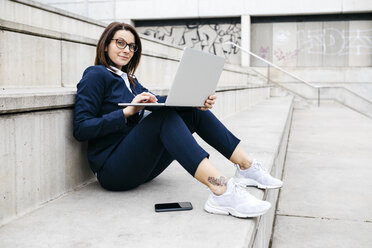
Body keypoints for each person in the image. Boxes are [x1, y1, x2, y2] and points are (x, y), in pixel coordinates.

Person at [73, 22, 283, 218]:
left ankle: (246, 167)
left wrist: (195, 101)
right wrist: (126, 113)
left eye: (132, 46)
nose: (127, 50)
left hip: (140, 167)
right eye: (120, 43)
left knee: (194, 114)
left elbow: (160, 101)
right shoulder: (95, 75)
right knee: (163, 119)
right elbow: (81, 128)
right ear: (105, 45)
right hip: (113, 171)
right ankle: (222, 189)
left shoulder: (131, 81)